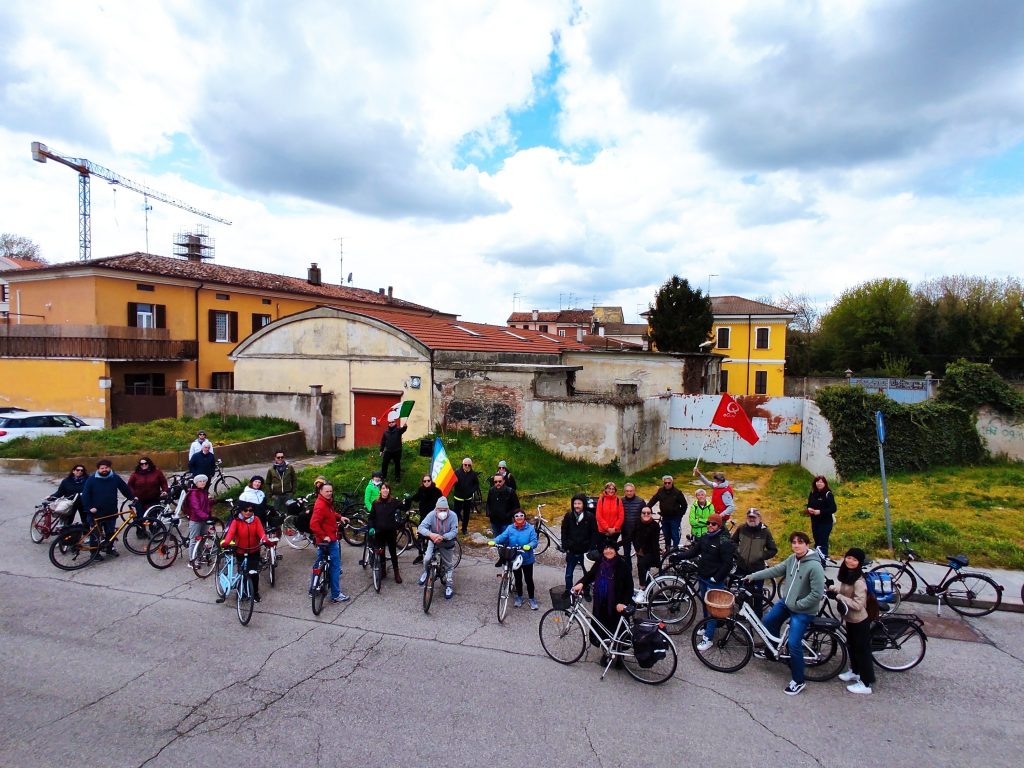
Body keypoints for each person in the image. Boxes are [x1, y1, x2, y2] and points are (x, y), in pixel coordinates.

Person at [744, 531, 826, 696]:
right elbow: (774, 571)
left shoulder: (814, 566)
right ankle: (774, 651)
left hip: (802, 610)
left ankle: (798, 681)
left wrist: (798, 605)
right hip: (787, 603)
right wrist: (752, 576)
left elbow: (817, 594)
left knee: (794, 643)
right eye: (794, 542)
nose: (796, 545)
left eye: (800, 542)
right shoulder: (792, 559)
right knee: (768, 622)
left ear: (807, 545)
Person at [677, 513, 737, 652]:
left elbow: (727, 564)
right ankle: (705, 627)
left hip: (714, 581)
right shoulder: (705, 537)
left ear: (719, 525)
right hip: (703, 577)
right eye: (708, 523)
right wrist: (678, 556)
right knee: (705, 606)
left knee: (713, 611)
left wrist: (716, 578)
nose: (710, 525)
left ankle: (708, 639)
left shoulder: (724, 541)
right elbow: (694, 551)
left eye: (714, 524)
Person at [572, 540, 634, 661]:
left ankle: (619, 658)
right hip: (601, 604)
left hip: (616, 605)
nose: (608, 551)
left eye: (611, 548)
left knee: (616, 631)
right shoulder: (600, 562)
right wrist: (581, 584)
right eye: (606, 548)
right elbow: (590, 575)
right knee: (604, 630)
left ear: (615, 551)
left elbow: (629, 587)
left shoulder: (622, 565)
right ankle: (607, 653)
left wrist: (624, 603)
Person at [830, 547, 876, 695]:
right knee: (852, 646)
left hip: (859, 620)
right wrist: (833, 588)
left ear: (860, 563)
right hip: (850, 619)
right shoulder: (847, 575)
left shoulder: (859, 581)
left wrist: (839, 597)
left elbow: (858, 604)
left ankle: (866, 683)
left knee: (862, 651)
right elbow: (845, 591)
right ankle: (855, 671)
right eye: (848, 557)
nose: (850, 561)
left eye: (855, 560)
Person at [218, 501, 274, 604]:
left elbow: (261, 533)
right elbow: (230, 534)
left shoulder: (256, 520)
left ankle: (255, 593)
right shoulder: (236, 521)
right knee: (242, 572)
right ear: (241, 511)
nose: (248, 512)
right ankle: (241, 591)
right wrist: (225, 543)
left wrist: (265, 540)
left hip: (254, 550)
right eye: (245, 510)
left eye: (251, 510)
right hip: (240, 550)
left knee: (254, 573)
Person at [731, 508, 778, 617]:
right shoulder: (741, 528)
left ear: (759, 518)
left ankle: (757, 615)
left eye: (754, 517)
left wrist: (761, 556)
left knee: (757, 593)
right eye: (749, 517)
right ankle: (743, 614)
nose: (751, 519)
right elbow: (732, 541)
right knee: (742, 592)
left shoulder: (765, 531)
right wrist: (738, 551)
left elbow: (773, 549)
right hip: (742, 567)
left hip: (757, 569)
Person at [81, 459, 132, 559]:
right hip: (96, 512)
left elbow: (124, 488)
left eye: (106, 468)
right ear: (98, 469)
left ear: (110, 468)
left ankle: (109, 549)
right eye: (102, 468)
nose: (104, 470)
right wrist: (89, 507)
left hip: (111, 511)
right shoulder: (92, 479)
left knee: (110, 532)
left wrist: (132, 497)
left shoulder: (115, 478)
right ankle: (94, 554)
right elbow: (85, 495)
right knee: (95, 534)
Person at [309, 482, 350, 603]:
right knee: (335, 567)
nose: (329, 493)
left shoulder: (326, 502)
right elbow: (313, 524)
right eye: (327, 491)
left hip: (324, 540)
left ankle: (313, 588)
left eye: (331, 491)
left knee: (319, 563)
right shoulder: (321, 505)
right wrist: (324, 536)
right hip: (329, 540)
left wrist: (339, 517)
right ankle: (336, 594)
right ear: (320, 491)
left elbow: (330, 514)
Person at [492, 509, 540, 609]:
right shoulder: (510, 528)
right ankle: (519, 597)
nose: (519, 517)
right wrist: (494, 541)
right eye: (517, 516)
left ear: (524, 517)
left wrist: (529, 546)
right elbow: (502, 537)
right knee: (518, 578)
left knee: (528, 579)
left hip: (526, 558)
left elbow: (534, 541)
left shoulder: (530, 528)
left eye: (521, 515)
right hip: (513, 557)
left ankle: (531, 598)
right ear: (514, 518)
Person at [417, 497, 459, 599]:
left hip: (447, 541)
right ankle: (427, 572)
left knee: (448, 565)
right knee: (427, 558)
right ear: (436, 509)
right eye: (440, 510)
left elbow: (454, 531)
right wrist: (431, 535)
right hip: (433, 540)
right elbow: (421, 527)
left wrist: (443, 537)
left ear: (448, 509)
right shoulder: (431, 515)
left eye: (445, 510)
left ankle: (449, 585)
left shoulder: (453, 516)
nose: (443, 512)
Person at [561, 494, 597, 599]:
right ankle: (569, 591)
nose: (577, 506)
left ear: (583, 504)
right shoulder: (568, 516)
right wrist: (565, 544)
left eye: (579, 503)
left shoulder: (590, 517)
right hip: (571, 551)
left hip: (585, 550)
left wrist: (591, 547)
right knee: (568, 574)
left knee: (587, 574)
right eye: (575, 503)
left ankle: (586, 592)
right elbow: (564, 531)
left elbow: (594, 533)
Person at [368, 482, 403, 583]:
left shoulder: (394, 502)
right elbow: (371, 518)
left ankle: (396, 573)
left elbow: (404, 507)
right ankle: (383, 570)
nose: (385, 490)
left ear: (389, 490)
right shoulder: (375, 503)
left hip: (391, 531)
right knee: (381, 551)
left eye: (387, 488)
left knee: (393, 552)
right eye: (383, 488)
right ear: (380, 490)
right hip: (379, 532)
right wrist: (371, 527)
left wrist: (408, 500)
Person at [127, 456, 169, 539]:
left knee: (152, 516)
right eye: (141, 464)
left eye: (145, 463)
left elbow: (163, 482)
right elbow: (130, 485)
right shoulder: (135, 474)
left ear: (149, 464)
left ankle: (153, 529)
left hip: (153, 498)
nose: (143, 465)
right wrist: (133, 495)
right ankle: (140, 532)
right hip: (139, 499)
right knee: (139, 516)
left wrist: (165, 490)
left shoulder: (157, 472)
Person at [407, 474, 442, 564]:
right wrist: (409, 498)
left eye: (428, 481)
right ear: (422, 482)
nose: (426, 482)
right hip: (423, 516)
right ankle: (420, 555)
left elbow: (442, 503)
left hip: (434, 517)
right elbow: (416, 497)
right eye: (424, 481)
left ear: (431, 481)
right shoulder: (421, 490)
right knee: (420, 535)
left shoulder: (437, 491)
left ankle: (433, 555)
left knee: (432, 535)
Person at [648, 475, 687, 551]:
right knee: (666, 534)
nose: (667, 484)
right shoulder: (660, 491)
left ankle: (676, 550)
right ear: (663, 483)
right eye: (665, 483)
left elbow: (684, 505)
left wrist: (680, 515)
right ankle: (668, 548)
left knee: (675, 535)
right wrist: (647, 508)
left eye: (669, 483)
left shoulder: (677, 492)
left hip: (675, 518)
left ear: (672, 482)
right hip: (665, 517)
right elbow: (653, 500)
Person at [806, 475, 837, 557]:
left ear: (825, 483)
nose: (819, 483)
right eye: (817, 482)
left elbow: (833, 508)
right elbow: (809, 504)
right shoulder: (812, 493)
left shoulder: (828, 494)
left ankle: (823, 561)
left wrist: (820, 512)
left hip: (825, 523)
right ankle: (817, 560)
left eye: (821, 482)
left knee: (822, 542)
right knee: (817, 542)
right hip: (815, 522)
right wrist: (809, 509)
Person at [485, 473, 521, 540]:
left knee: (506, 541)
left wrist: (508, 515)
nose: (497, 483)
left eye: (499, 481)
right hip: (494, 521)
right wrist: (489, 514)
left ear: (504, 481)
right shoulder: (491, 491)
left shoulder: (510, 491)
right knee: (497, 540)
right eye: (495, 482)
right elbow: (488, 503)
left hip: (505, 522)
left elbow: (516, 506)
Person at [185, 474, 213, 558]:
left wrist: (217, 501)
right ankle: (192, 560)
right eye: (200, 481)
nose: (202, 483)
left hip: (203, 520)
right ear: (196, 483)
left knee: (202, 539)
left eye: (204, 481)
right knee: (194, 540)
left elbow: (206, 504)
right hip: (195, 520)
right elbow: (196, 509)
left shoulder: (204, 492)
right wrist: (207, 517)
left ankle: (199, 556)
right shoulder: (194, 493)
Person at [633, 506, 662, 587]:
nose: (646, 514)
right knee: (643, 571)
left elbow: (655, 543)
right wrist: (616, 544)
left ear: (651, 514)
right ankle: (647, 592)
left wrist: (657, 559)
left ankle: (643, 587)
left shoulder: (655, 525)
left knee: (641, 565)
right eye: (644, 513)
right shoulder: (637, 523)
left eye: (648, 513)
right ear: (640, 514)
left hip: (651, 552)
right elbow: (630, 537)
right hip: (640, 552)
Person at [452, 458, 481, 535]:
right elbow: (451, 482)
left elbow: (476, 484)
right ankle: (454, 530)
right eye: (465, 465)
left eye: (469, 465)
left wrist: (471, 491)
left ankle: (464, 529)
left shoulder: (473, 474)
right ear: (462, 464)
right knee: (456, 514)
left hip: (468, 498)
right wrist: (454, 482)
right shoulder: (457, 472)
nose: (467, 466)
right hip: (458, 497)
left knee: (466, 514)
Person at [266, 450, 297, 519]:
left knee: (289, 512)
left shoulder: (289, 467)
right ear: (275, 458)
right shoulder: (271, 470)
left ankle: (288, 527)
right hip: (277, 495)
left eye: (282, 457)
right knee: (277, 512)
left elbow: (294, 479)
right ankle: (278, 527)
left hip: (288, 494)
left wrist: (293, 491)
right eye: (278, 457)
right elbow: (268, 483)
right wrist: (271, 494)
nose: (280, 459)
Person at [620, 482, 646, 564]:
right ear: (624, 492)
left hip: (637, 533)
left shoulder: (641, 501)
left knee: (640, 554)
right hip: (625, 532)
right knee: (626, 554)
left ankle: (642, 571)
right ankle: (628, 573)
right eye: (627, 491)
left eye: (631, 491)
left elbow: (645, 516)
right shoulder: (621, 501)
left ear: (634, 491)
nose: (629, 493)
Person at [595, 481, 624, 548]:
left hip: (615, 531)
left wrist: (614, 528)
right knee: (602, 549)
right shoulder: (601, 499)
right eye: (609, 488)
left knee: (612, 550)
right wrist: (607, 528)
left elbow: (621, 516)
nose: (611, 490)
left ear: (615, 490)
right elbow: (598, 516)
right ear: (605, 489)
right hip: (603, 531)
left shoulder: (618, 500)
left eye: (613, 489)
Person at [379, 417, 408, 482]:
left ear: (395, 423)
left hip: (397, 451)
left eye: (392, 422)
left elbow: (403, 429)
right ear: (388, 424)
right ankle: (383, 477)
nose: (391, 423)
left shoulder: (398, 430)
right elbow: (383, 441)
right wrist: (381, 450)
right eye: (390, 422)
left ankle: (397, 478)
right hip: (388, 451)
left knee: (397, 464)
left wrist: (405, 427)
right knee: (384, 464)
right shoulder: (385, 432)